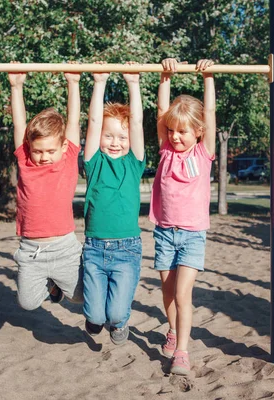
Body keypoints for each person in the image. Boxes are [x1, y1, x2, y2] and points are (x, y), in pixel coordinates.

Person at [149, 58, 216, 375]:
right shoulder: (165, 150)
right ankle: (173, 330)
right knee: (167, 291)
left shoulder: (203, 153)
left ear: (199, 132)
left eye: (183, 132)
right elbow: (162, 116)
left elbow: (211, 113)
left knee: (182, 293)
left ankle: (182, 352)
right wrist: (165, 77)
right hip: (164, 233)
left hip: (192, 235)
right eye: (172, 131)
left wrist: (209, 78)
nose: (175, 136)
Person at [8, 63, 84, 311]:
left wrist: (73, 83)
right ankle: (51, 287)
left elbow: (73, 120)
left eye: (50, 150)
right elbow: (20, 125)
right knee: (28, 303)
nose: (44, 156)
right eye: (38, 151)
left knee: (80, 297)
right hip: (32, 249)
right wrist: (16, 85)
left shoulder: (68, 158)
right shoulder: (26, 162)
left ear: (63, 147)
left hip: (64, 246)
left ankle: (57, 286)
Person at [82, 62, 145, 345]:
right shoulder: (94, 163)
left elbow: (138, 122)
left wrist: (134, 84)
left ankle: (119, 323)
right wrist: (99, 83)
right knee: (95, 316)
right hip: (94, 249)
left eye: (122, 137)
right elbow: (94, 122)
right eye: (109, 136)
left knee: (117, 312)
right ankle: (96, 320)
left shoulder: (134, 165)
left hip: (127, 248)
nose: (115, 142)